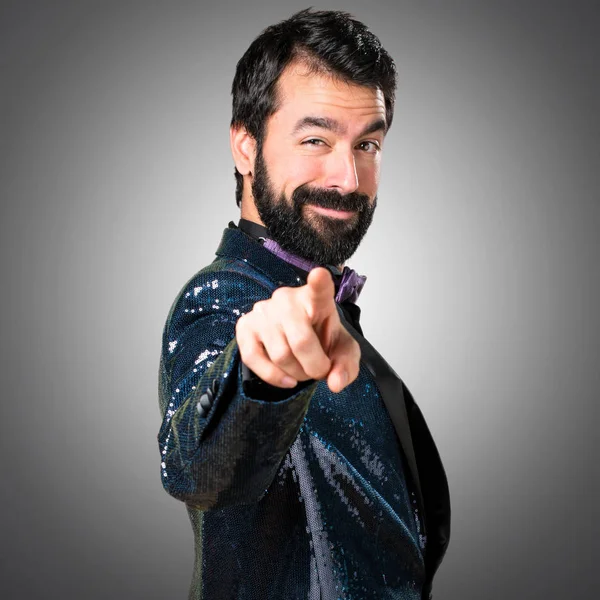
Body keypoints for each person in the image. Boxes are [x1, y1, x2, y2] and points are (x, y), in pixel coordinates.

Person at [158, 8, 450, 599]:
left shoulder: (326, 307)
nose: (348, 177)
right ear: (246, 145)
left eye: (367, 143)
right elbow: (198, 466)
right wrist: (261, 377)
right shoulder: (223, 301)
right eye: (315, 139)